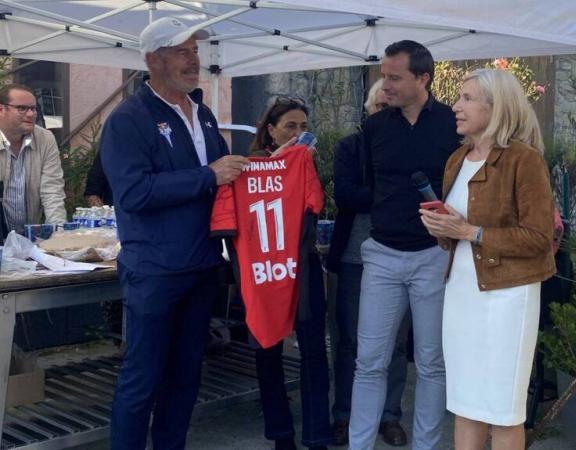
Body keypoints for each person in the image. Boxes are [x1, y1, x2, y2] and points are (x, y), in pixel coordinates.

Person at [100, 17, 249, 450]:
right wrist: (207, 176)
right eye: (182, 51)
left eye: (195, 51)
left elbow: (223, 180)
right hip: (155, 271)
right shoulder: (128, 119)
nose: (193, 60)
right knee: (142, 379)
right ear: (153, 59)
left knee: (186, 377)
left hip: (202, 265)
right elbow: (133, 192)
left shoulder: (201, 113)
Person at [419, 68, 556, 450]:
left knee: (502, 409)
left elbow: (538, 238)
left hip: (507, 297)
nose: (455, 107)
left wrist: (470, 232)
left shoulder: (523, 160)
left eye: (466, 99)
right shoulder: (457, 159)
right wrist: (443, 230)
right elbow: (457, 237)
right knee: (465, 404)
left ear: (495, 108)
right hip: (461, 291)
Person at [348, 40, 461, 450]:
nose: (386, 84)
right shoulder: (374, 128)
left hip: (435, 256)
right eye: (385, 75)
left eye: (395, 77)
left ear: (423, 78)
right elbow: (365, 186)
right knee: (369, 363)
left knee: (432, 364)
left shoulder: (454, 123)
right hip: (381, 256)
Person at [326, 78, 409, 447]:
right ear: (368, 111)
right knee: (351, 342)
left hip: (404, 254)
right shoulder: (351, 146)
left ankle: (389, 416)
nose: (382, 116)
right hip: (355, 257)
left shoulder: (410, 147)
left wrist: (380, 197)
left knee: (396, 343)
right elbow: (344, 194)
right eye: (378, 109)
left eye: (390, 111)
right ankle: (345, 414)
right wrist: (391, 196)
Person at [247, 97, 333, 450]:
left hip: (303, 265)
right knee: (268, 350)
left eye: (303, 127)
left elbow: (316, 204)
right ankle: (281, 434)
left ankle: (317, 436)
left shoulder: (304, 163)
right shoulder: (250, 166)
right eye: (290, 127)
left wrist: (301, 165)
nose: (298, 134)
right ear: (271, 131)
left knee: (313, 349)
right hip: (265, 269)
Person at [0, 83, 66, 235]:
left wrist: (60, 236)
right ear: (1, 109)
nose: (31, 114)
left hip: (29, 237)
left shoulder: (45, 138)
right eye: (22, 108)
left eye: (33, 108)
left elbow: (52, 190)